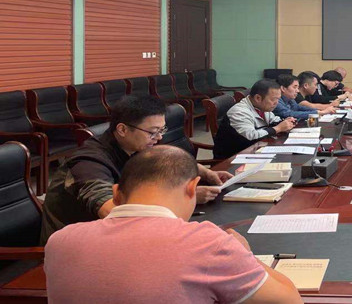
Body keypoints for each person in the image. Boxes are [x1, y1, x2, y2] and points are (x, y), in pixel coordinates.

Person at [45, 146, 302, 304]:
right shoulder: (209, 243)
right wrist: (246, 254)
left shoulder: (60, 240)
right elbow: (289, 300)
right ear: (193, 188)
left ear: (116, 193)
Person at [40, 95, 233, 242]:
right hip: (77, 246)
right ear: (122, 129)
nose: (158, 138)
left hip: (115, 236)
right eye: (153, 132)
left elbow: (168, 158)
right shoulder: (88, 163)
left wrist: (207, 173)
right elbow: (113, 213)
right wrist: (178, 199)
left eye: (161, 130)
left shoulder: (134, 146)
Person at [213, 79, 297, 159]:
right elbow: (252, 136)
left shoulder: (262, 106)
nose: (276, 103)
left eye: (278, 99)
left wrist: (286, 122)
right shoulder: (239, 112)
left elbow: (273, 120)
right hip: (233, 158)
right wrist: (278, 128)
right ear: (258, 98)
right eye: (274, 99)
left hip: (255, 149)